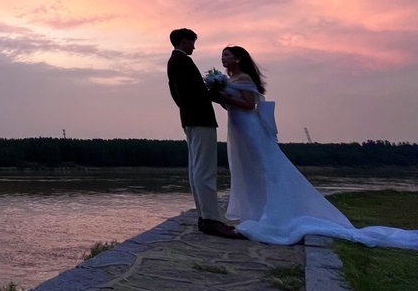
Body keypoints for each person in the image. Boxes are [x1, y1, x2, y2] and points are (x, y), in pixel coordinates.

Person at [219, 45, 418, 248]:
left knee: (265, 167)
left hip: (250, 127)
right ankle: (255, 211)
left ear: (239, 58)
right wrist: (222, 96)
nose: (223, 58)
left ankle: (274, 216)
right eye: (222, 56)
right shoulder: (231, 80)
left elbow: (249, 104)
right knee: (248, 168)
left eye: (227, 55)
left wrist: (222, 95)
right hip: (237, 127)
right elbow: (231, 104)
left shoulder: (244, 78)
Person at [167, 28, 244, 239]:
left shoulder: (174, 62)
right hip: (200, 119)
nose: (194, 46)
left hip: (191, 117)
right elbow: (195, 91)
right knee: (205, 169)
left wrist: (185, 108)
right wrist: (220, 96)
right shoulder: (181, 61)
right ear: (184, 42)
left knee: (196, 168)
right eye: (192, 42)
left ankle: (204, 216)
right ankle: (211, 219)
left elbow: (175, 92)